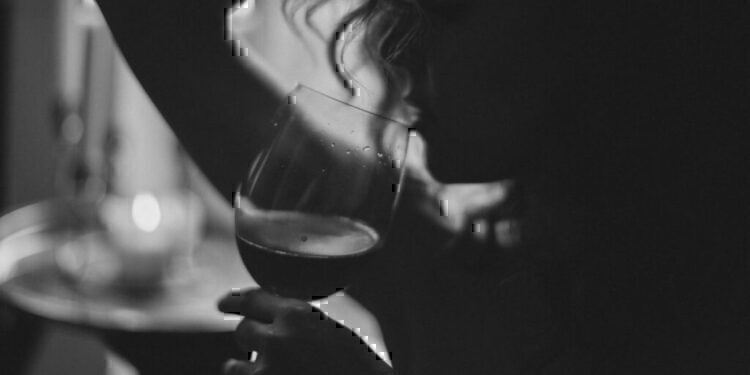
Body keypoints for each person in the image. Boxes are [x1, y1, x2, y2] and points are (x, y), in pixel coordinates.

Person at [96, 1, 749, 374]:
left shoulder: (704, 319)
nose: (394, 45)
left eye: (449, 11)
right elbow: (195, 72)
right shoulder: (548, 262)